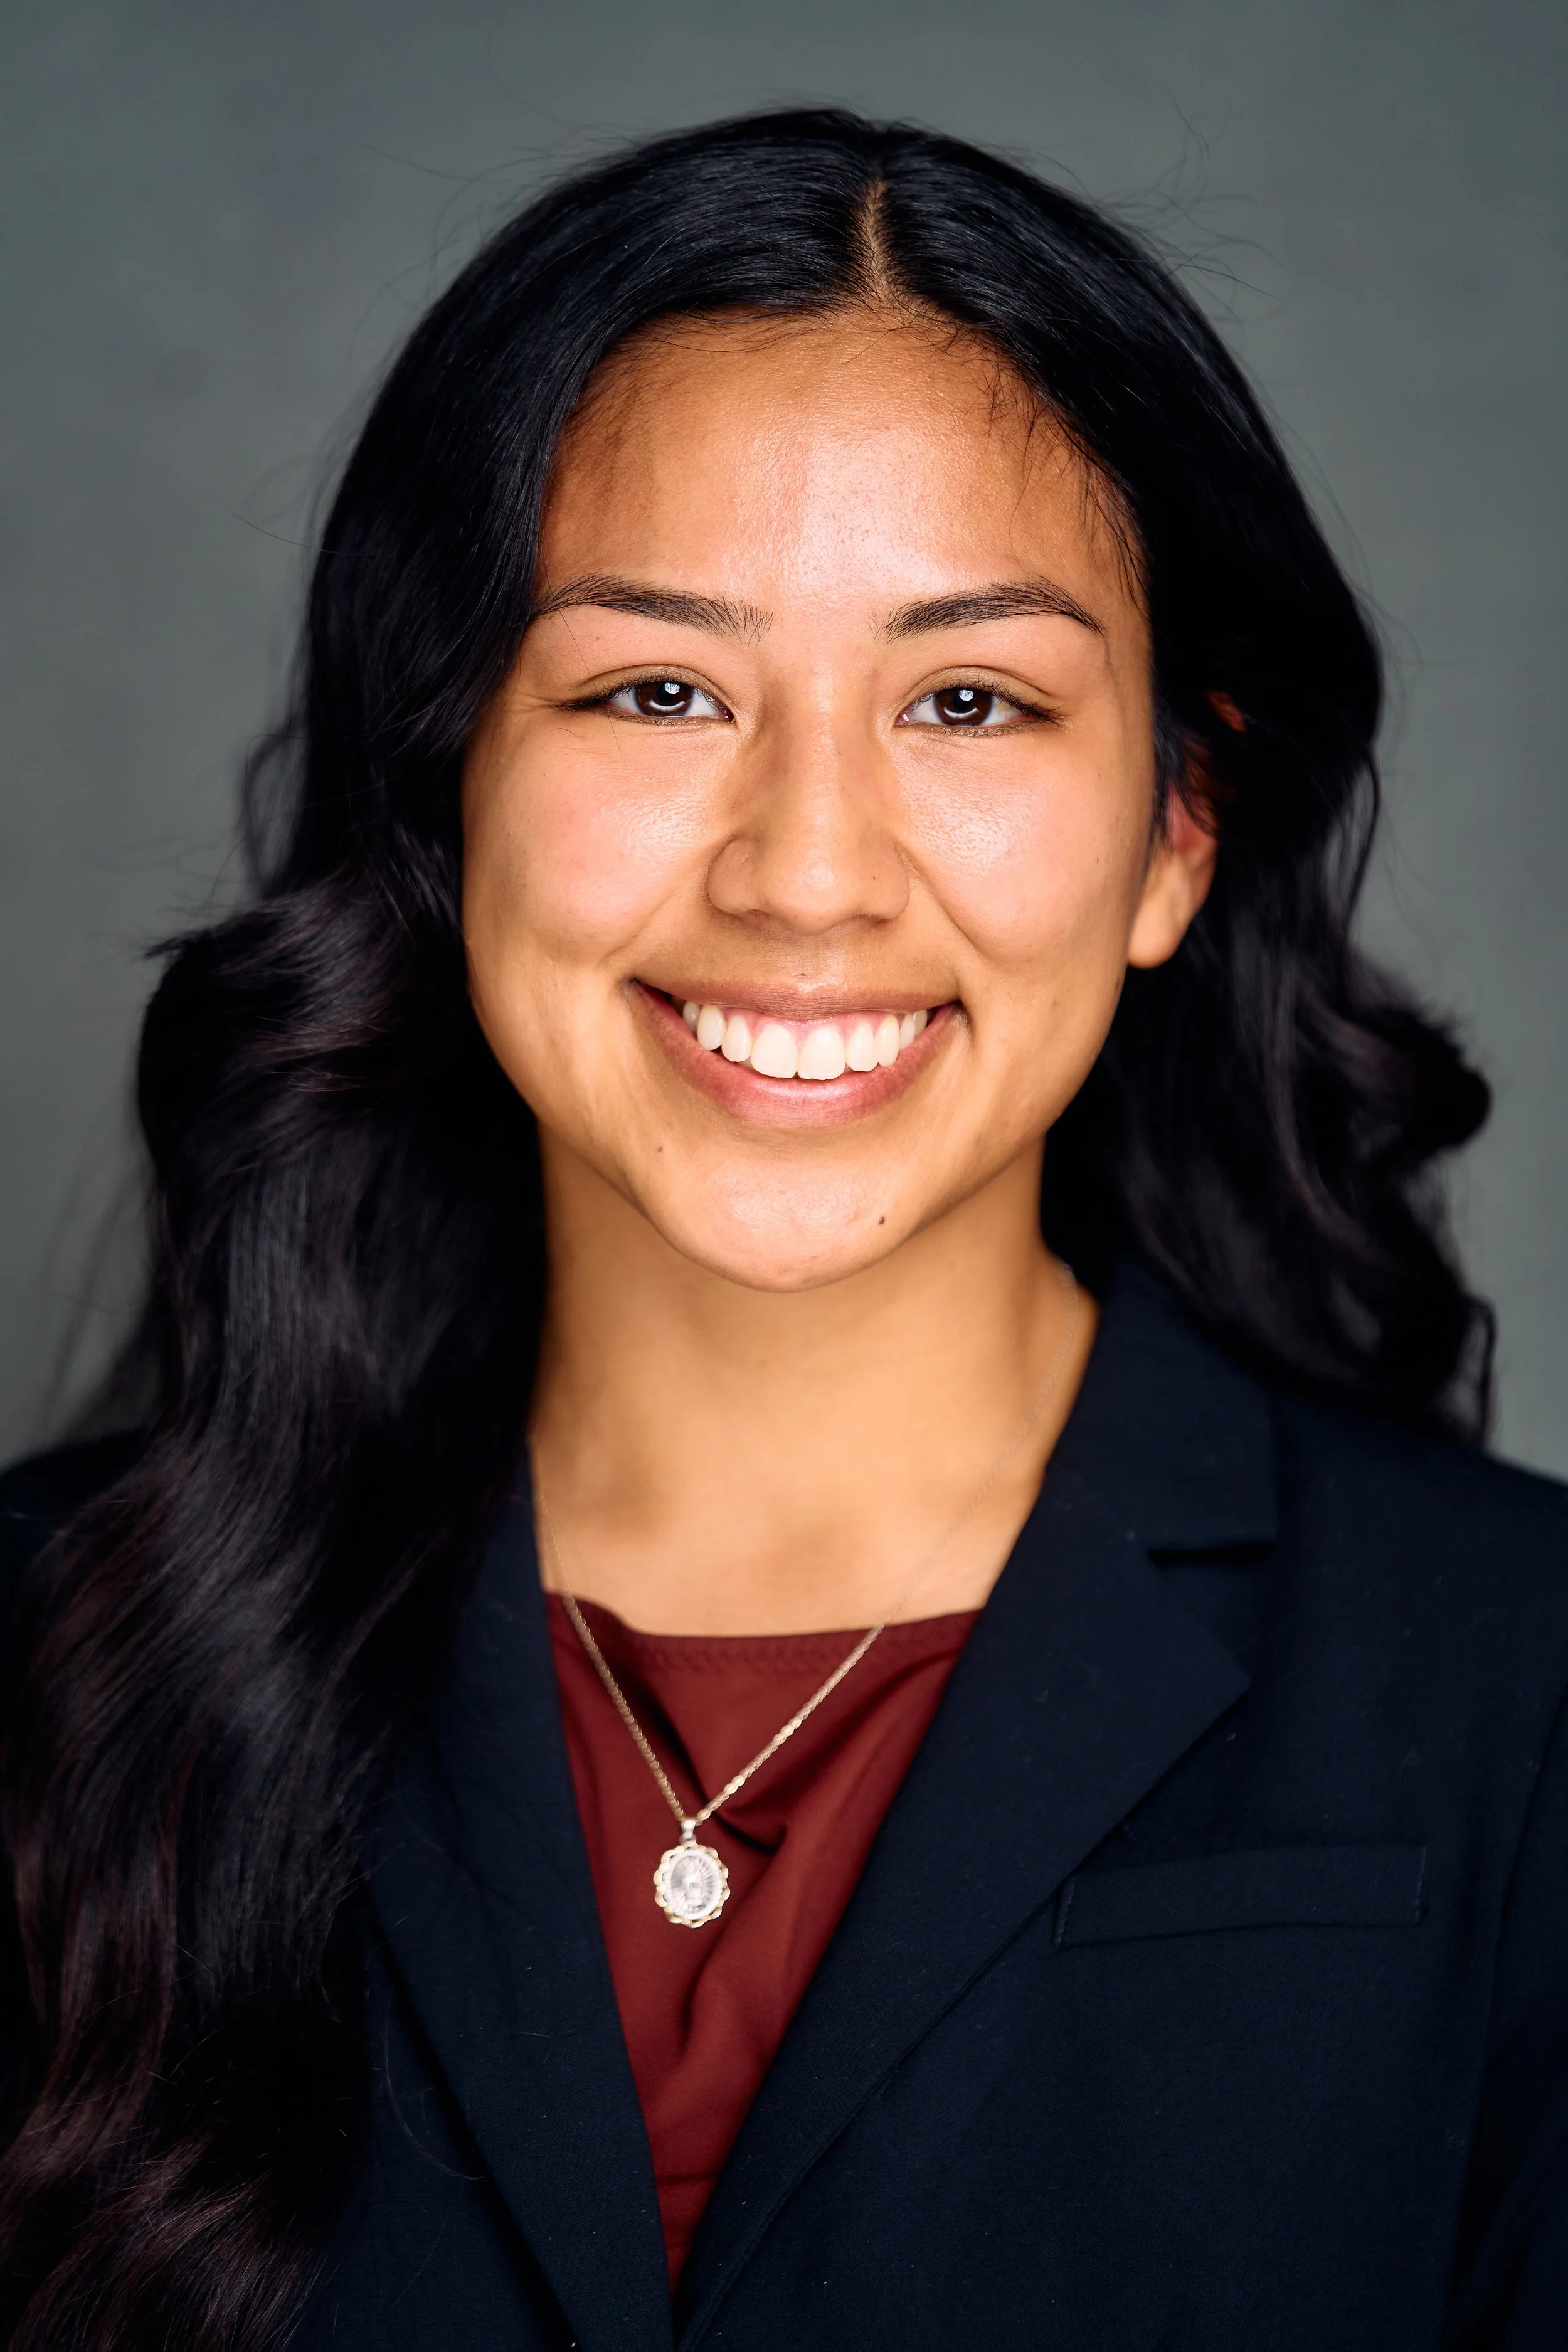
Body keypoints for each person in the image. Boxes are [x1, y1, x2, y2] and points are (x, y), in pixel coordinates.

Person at [1, 107, 1564, 2352]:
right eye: (654, 688)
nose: (806, 869)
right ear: (444, 790)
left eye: (968, 698)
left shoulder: (1522, 1688)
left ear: (1173, 830)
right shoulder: (45, 1667)